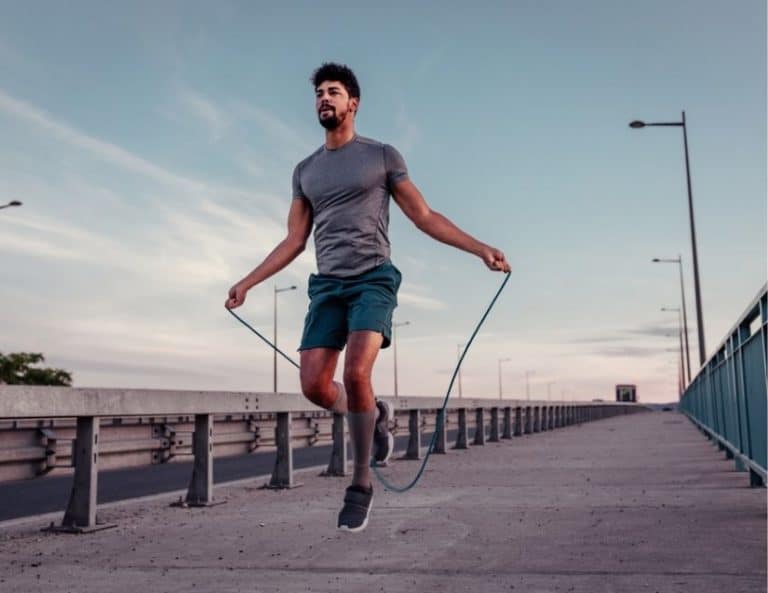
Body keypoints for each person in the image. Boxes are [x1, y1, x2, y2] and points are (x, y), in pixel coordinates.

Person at [225, 62, 510, 532]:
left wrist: (480, 248)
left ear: (353, 103)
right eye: (319, 93)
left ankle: (360, 483)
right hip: (327, 286)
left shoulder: (381, 156)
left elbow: (424, 216)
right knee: (315, 386)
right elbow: (294, 241)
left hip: (373, 279)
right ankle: (378, 414)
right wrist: (248, 282)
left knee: (357, 372)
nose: (324, 99)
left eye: (333, 92)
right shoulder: (305, 171)